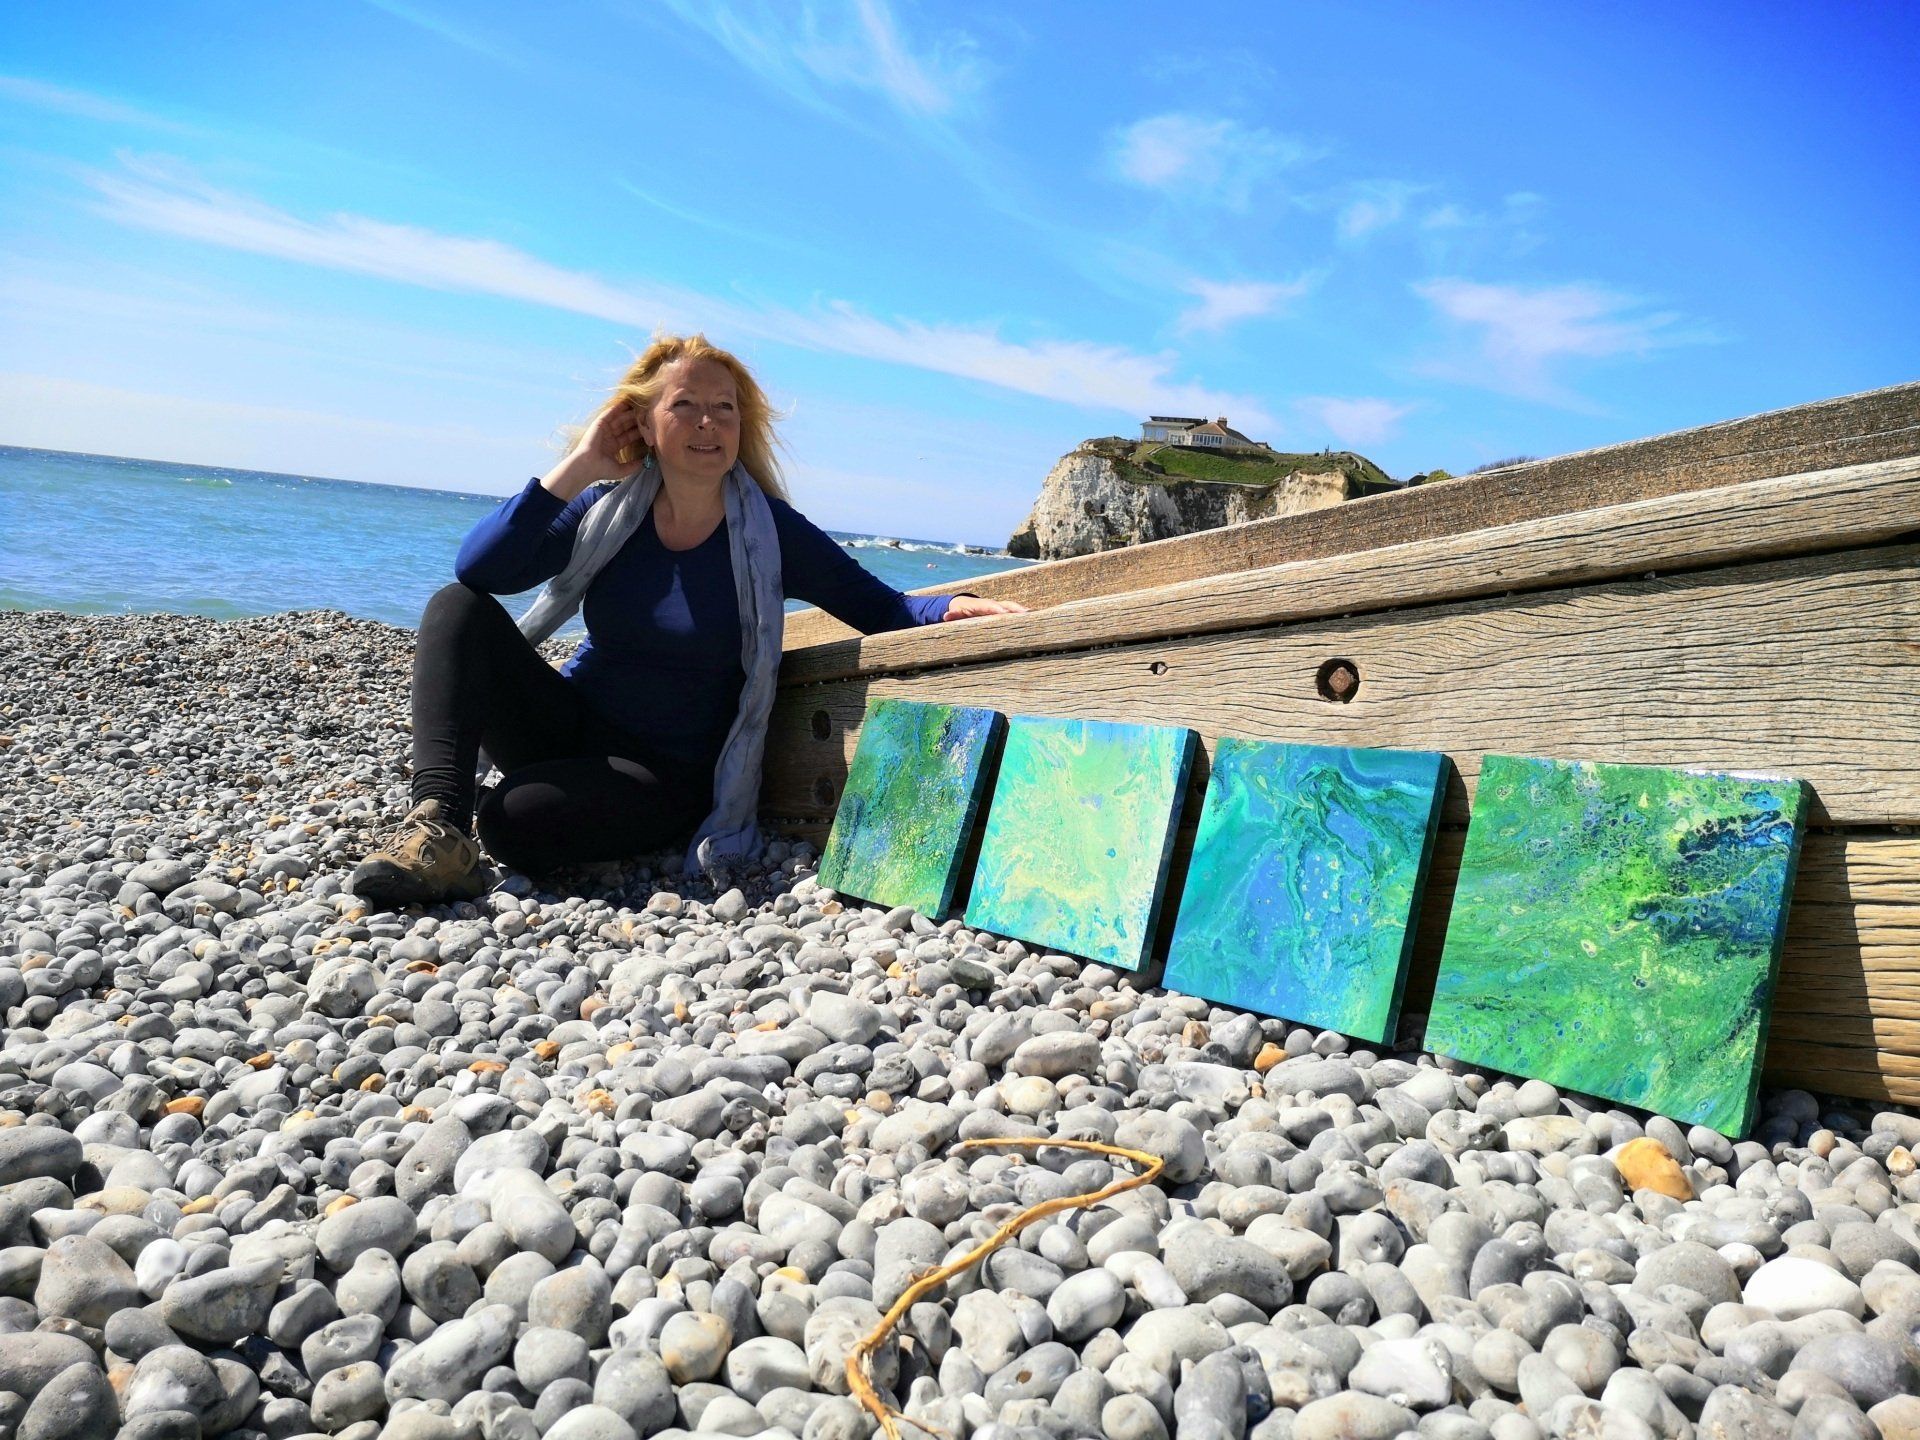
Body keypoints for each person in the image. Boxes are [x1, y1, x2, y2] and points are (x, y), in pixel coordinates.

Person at [349, 333, 1026, 905]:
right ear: (644, 424)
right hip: (569, 726)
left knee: (509, 821)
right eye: (686, 405)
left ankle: (491, 823)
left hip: (663, 775)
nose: (709, 422)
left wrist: (948, 608)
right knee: (456, 608)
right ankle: (437, 827)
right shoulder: (605, 511)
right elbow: (480, 570)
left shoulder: (768, 533)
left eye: (724, 408)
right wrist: (582, 464)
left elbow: (878, 607)